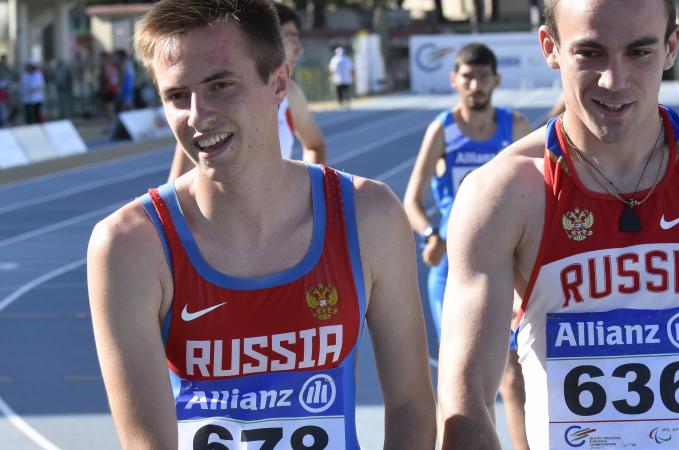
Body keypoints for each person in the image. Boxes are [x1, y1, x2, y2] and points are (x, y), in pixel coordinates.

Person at [437, 1, 679, 449]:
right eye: (590, 54)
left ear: (671, 48)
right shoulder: (504, 193)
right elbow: (465, 399)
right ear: (550, 48)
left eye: (639, 53)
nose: (614, 80)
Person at [87, 1, 436, 449]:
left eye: (221, 85)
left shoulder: (369, 215)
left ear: (279, 85)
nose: (197, 115)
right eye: (177, 96)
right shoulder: (130, 245)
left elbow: (411, 405)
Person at [403, 42, 532, 450]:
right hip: (453, 272)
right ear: (454, 80)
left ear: (497, 80)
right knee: (467, 382)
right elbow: (412, 201)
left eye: (483, 77)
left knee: (512, 375)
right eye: (468, 77)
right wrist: (430, 235)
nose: (475, 85)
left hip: (505, 267)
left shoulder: (515, 127)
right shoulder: (443, 130)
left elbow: (540, 193)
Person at [167, 2, 326, 180]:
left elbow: (315, 146)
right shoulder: (206, 115)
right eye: (289, 37)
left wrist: (309, 195)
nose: (298, 48)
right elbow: (175, 186)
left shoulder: (292, 95)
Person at [20, 59, 45, 124]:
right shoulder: (24, 75)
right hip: (27, 98)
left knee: (37, 113)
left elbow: (41, 84)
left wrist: (35, 88)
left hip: (37, 98)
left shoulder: (38, 74)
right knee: (28, 114)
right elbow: (23, 85)